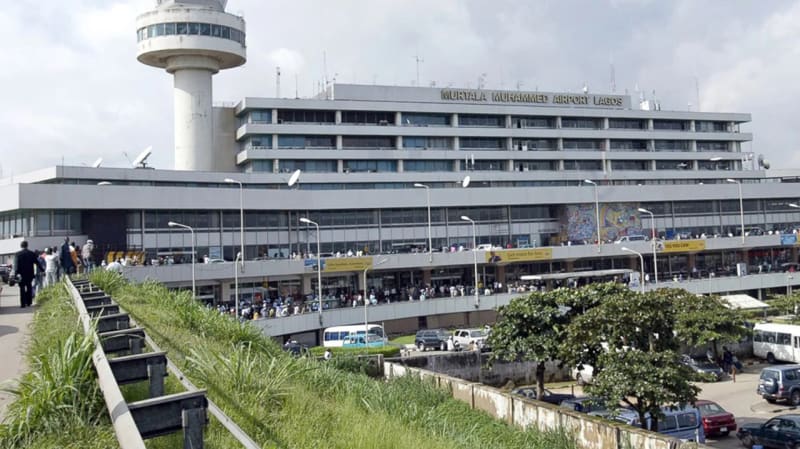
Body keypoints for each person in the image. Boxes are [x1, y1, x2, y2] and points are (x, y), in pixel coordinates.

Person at [13, 241, 39, 308]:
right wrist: (42, 270)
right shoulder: (31, 253)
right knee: (29, 287)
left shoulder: (17, 254)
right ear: (27, 246)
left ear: (21, 246)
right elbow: (37, 263)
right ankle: (29, 302)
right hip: (29, 274)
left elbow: (16, 266)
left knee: (22, 288)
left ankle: (23, 304)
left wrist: (15, 274)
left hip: (21, 275)